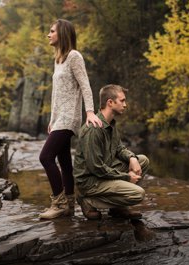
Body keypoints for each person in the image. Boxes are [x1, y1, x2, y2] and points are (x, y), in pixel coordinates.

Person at [39, 19, 103, 219]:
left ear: (62, 34)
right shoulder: (58, 59)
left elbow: (85, 85)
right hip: (59, 117)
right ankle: (69, 204)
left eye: (51, 31)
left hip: (69, 117)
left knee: (45, 157)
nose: (48, 35)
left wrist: (90, 112)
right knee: (64, 161)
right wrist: (52, 118)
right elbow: (56, 94)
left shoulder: (74, 56)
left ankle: (58, 204)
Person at [74, 84, 150, 220]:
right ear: (110, 102)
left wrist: (132, 158)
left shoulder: (111, 124)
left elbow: (119, 148)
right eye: (122, 101)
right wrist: (126, 178)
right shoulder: (94, 129)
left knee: (142, 160)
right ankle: (89, 201)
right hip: (91, 182)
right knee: (138, 194)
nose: (125, 105)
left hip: (103, 172)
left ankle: (118, 208)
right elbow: (96, 168)